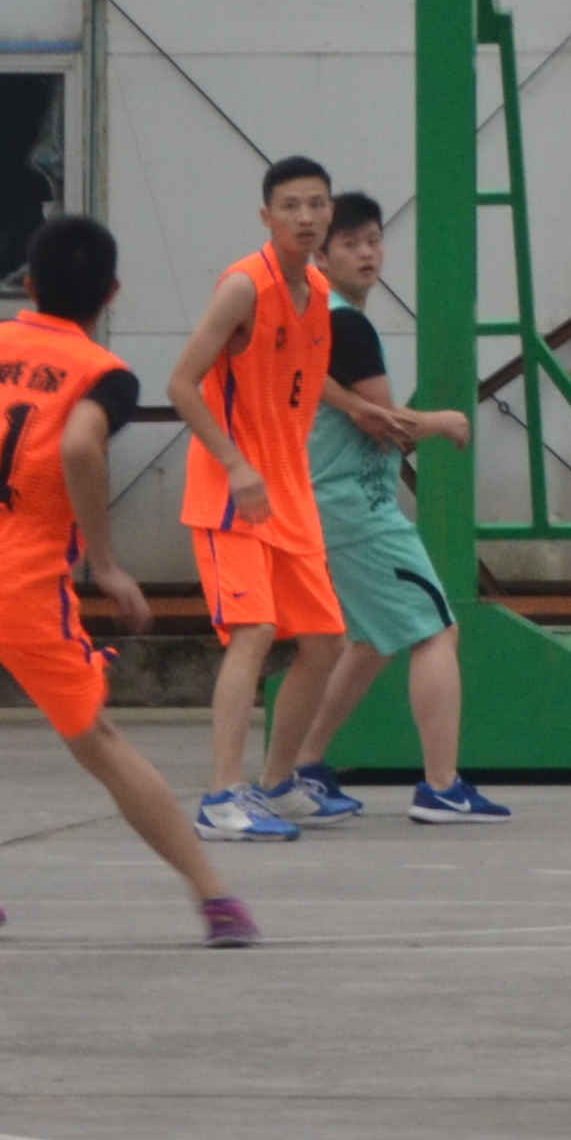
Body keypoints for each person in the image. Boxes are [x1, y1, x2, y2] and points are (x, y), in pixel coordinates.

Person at [0, 212, 257, 946]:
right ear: (113, 293)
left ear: (29, 285)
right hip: (15, 578)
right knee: (96, 737)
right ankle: (216, 898)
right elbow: (77, 446)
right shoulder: (103, 374)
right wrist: (105, 563)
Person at [272, 193, 510, 828]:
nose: (367, 253)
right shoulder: (345, 325)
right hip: (355, 506)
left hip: (324, 501)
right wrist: (444, 422)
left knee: (372, 639)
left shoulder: (312, 317)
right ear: (322, 256)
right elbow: (385, 424)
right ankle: (441, 787)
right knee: (435, 629)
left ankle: (307, 764)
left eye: (374, 240)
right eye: (350, 244)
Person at [167, 157, 349, 841]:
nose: (305, 217)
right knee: (254, 632)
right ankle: (221, 798)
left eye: (316, 204)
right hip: (231, 492)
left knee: (325, 642)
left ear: (330, 213)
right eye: (291, 205)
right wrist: (237, 465)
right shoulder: (245, 286)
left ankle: (276, 784)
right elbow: (181, 383)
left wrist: (370, 413)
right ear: (266, 216)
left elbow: (303, 380)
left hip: (288, 493)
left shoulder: (319, 290)